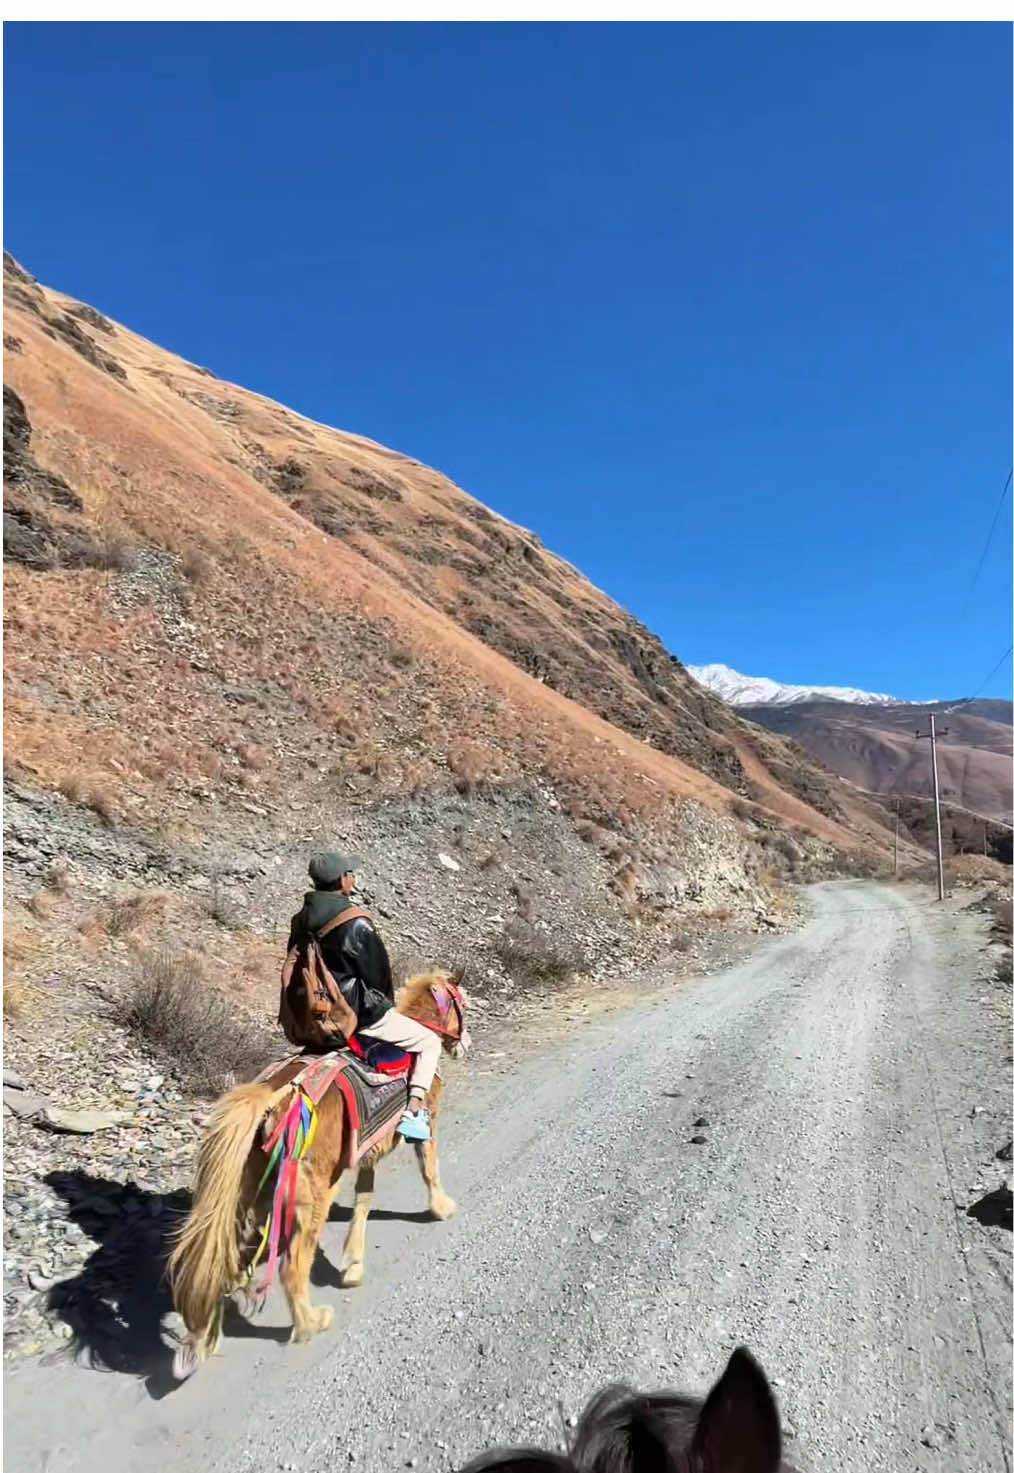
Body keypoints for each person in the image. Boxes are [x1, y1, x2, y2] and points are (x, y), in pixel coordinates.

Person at [287, 851, 440, 1142]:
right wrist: (384, 1009)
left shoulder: (301, 920)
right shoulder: (354, 921)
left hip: (314, 1015)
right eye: (350, 873)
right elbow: (378, 978)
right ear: (343, 880)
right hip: (357, 1015)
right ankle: (414, 1113)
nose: (353, 878)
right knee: (429, 1042)